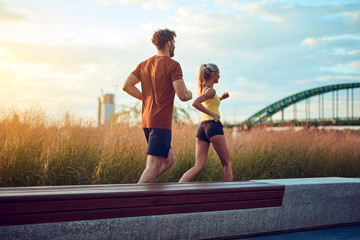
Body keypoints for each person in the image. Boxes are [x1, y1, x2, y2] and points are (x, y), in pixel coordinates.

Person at [122, 29, 192, 184]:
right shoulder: (173, 65)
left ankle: (148, 190)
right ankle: (137, 199)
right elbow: (182, 95)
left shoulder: (144, 65)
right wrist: (190, 94)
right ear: (168, 43)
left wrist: (146, 99)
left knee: (168, 160)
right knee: (152, 165)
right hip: (160, 123)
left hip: (147, 121)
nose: (174, 46)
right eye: (173, 43)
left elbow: (127, 86)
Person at [179, 63, 233, 182]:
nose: (219, 76)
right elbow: (195, 103)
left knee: (198, 166)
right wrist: (213, 114)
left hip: (203, 128)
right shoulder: (211, 91)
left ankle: (178, 188)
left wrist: (221, 98)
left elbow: (210, 103)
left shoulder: (205, 90)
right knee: (227, 164)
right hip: (213, 126)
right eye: (218, 74)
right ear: (213, 75)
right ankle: (230, 195)